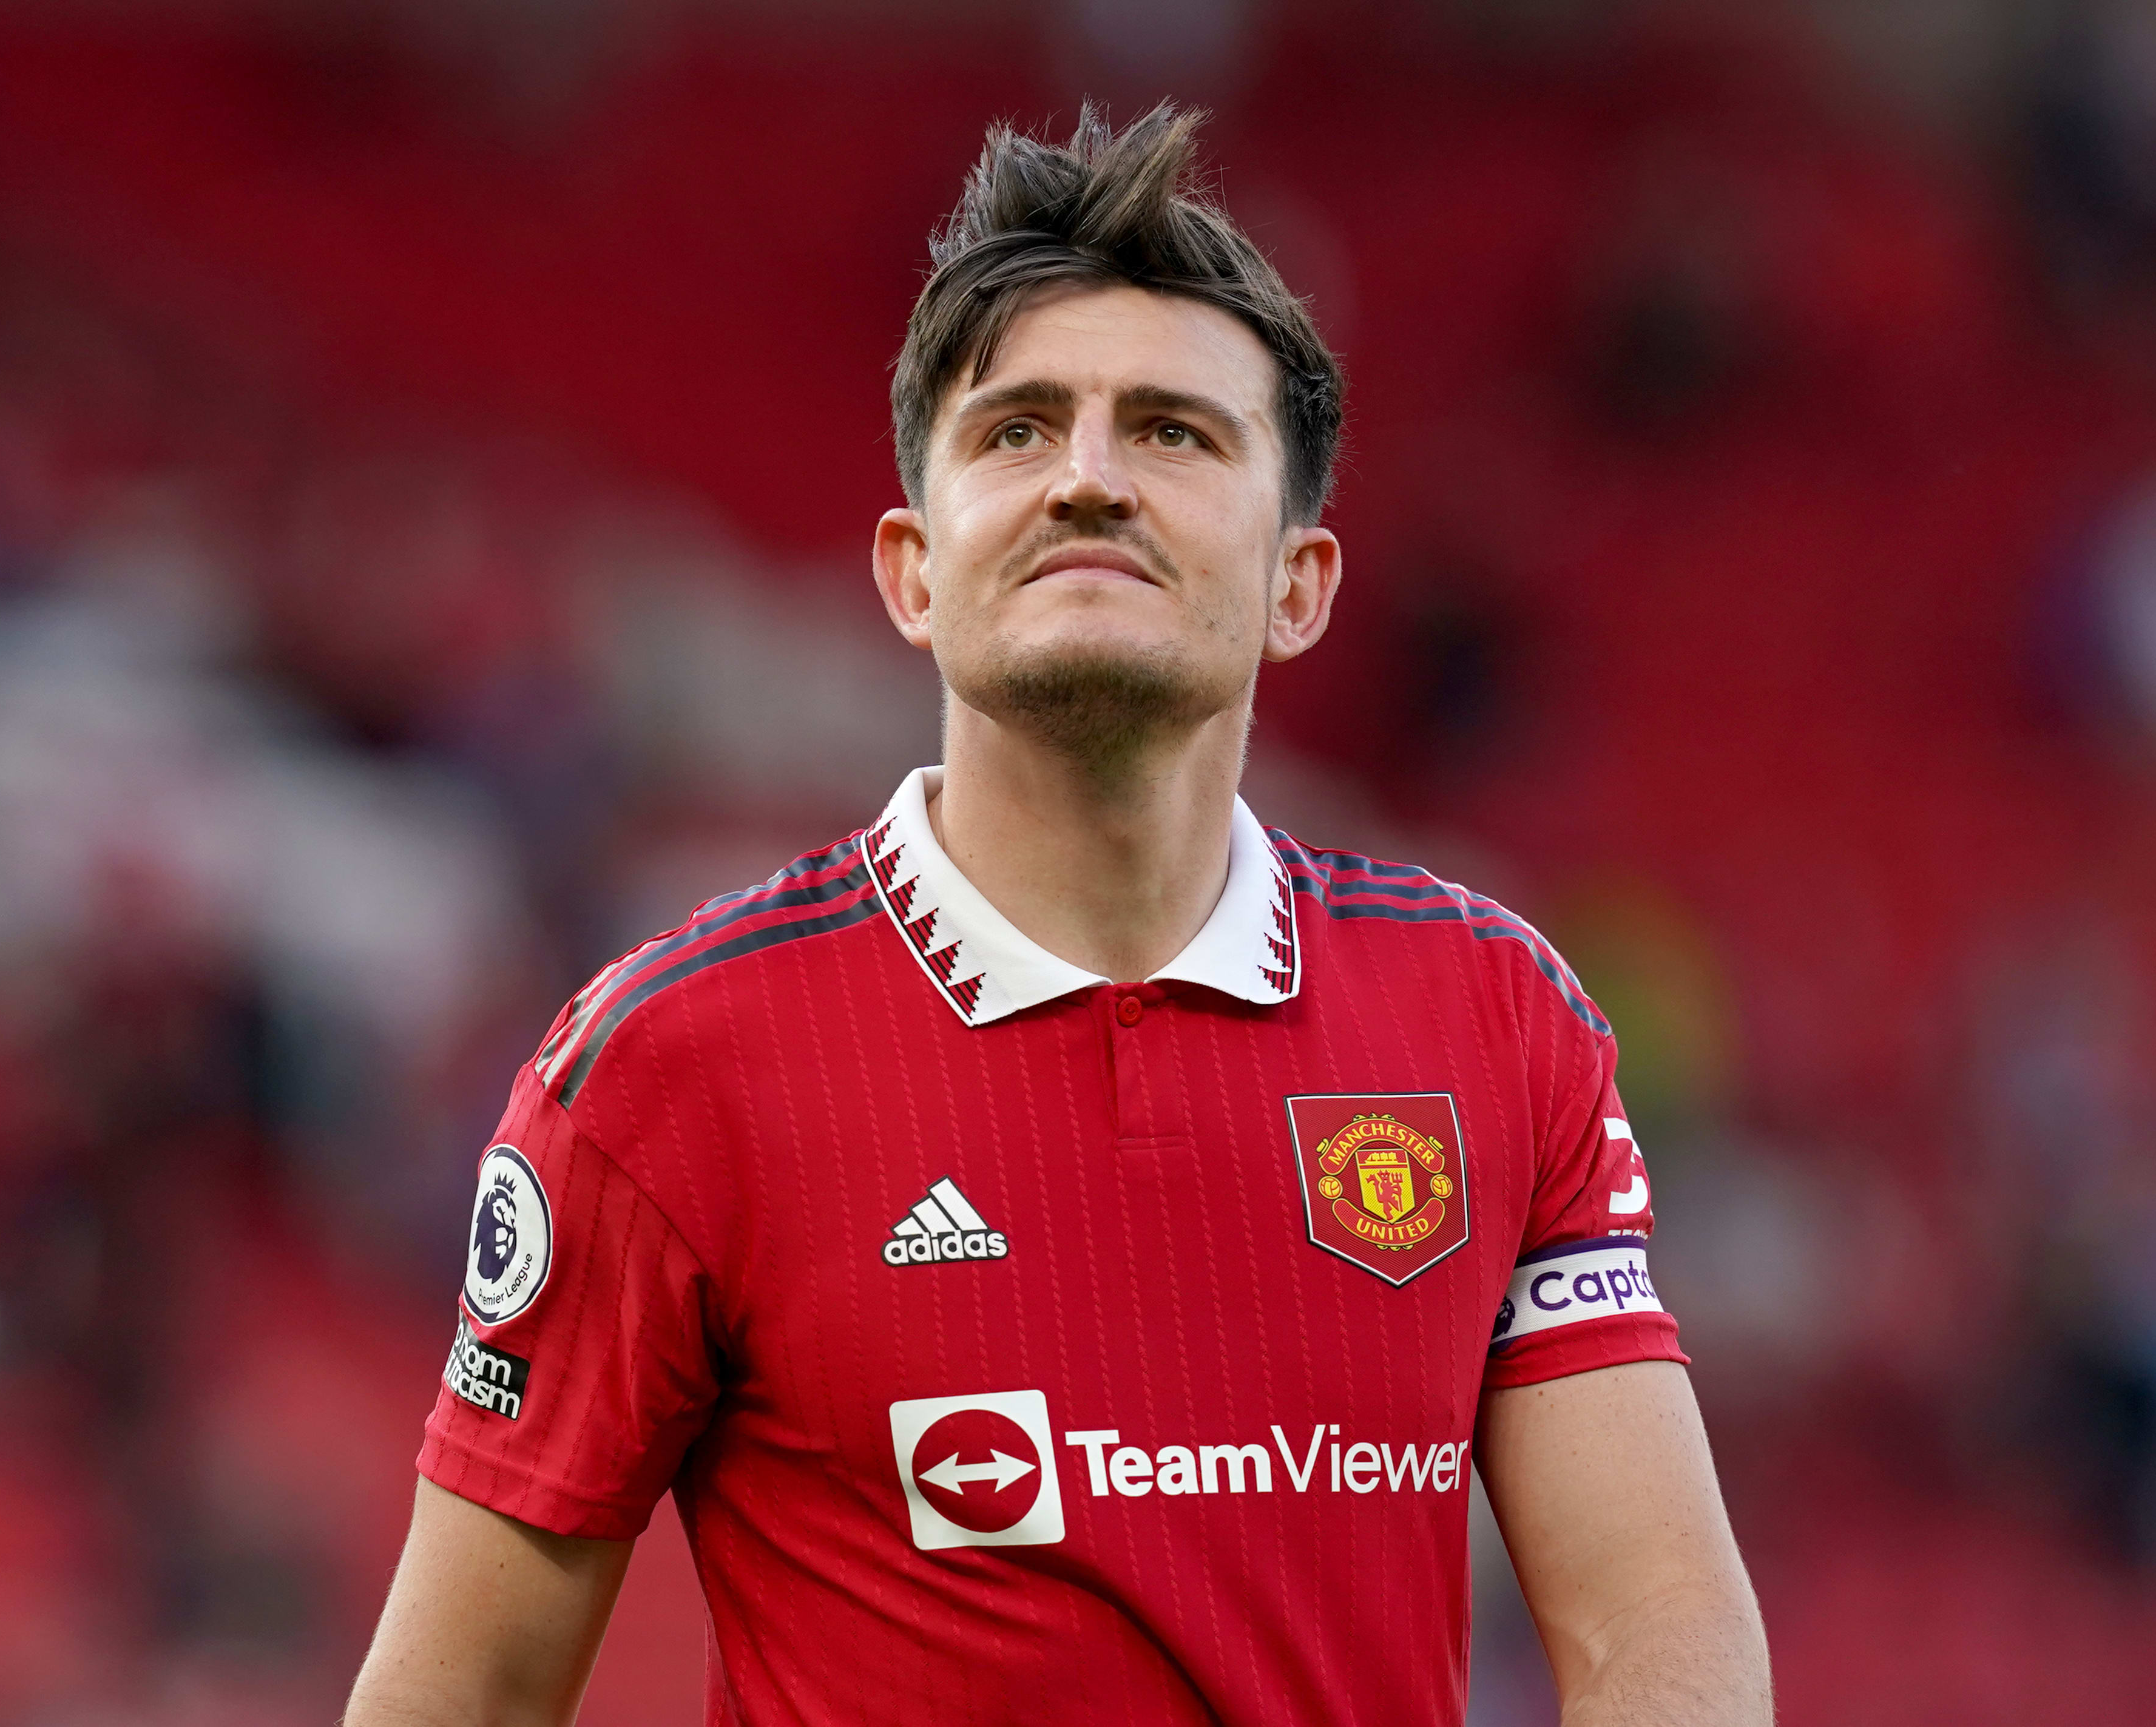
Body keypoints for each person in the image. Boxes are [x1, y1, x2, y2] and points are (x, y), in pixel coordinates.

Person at [346, 104, 1771, 1727]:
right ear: (911, 573)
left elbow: (1661, 1623)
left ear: (1300, 584)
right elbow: (457, 1695)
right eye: (1019, 431)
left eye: (1174, 434)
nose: (1089, 480)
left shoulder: (1495, 1018)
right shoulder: (666, 1069)